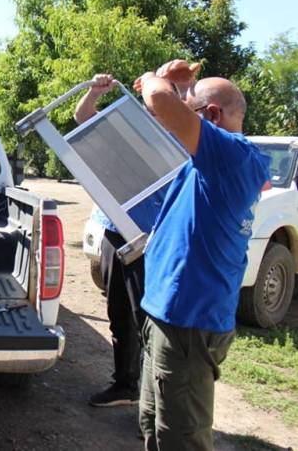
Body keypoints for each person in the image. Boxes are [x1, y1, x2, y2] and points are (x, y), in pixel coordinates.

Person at [134, 60, 270, 450]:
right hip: (168, 316)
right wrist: (178, 90)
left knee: (182, 439)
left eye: (189, 110)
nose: (179, 123)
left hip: (187, 322)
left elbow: (157, 98)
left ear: (211, 115)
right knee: (155, 425)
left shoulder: (233, 156)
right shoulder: (212, 160)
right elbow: (162, 109)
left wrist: (156, 82)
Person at [74, 75, 166, 408]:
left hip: (154, 239)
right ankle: (125, 384)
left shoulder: (180, 134)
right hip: (117, 233)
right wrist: (94, 92)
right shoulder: (129, 130)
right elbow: (83, 118)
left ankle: (153, 398)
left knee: (150, 318)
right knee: (119, 312)